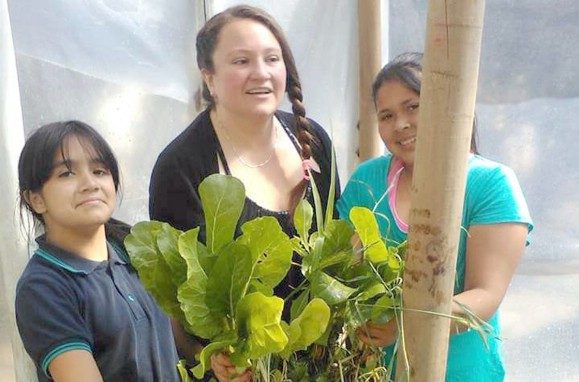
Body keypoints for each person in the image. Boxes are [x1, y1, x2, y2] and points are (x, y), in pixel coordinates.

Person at [148, 5, 339, 382]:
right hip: (240, 371)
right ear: (210, 77)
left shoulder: (313, 142)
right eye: (241, 61)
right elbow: (181, 296)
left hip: (318, 362)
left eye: (272, 58)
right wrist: (214, 353)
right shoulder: (181, 167)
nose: (262, 73)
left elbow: (334, 249)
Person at [336, 52, 533, 381]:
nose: (400, 124)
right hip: (375, 370)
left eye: (413, 106)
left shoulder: (490, 183)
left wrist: (401, 322)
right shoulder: (366, 182)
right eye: (386, 115)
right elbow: (340, 271)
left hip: (459, 371)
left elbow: (485, 295)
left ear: (446, 104)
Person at [15, 121, 180, 382]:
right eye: (67, 174)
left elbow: (178, 351)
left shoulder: (135, 253)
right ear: (36, 199)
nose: (90, 183)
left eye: (100, 171)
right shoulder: (43, 286)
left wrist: (215, 363)